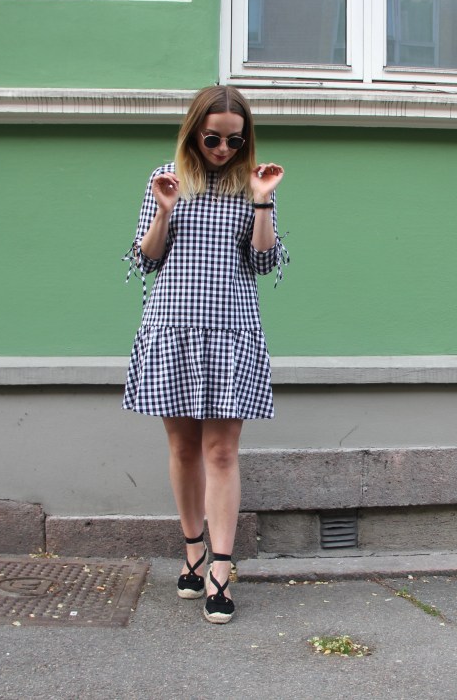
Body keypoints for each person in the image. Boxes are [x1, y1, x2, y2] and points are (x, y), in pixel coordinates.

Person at [122, 85, 288, 624]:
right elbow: (145, 260)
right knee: (183, 447)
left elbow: (265, 264)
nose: (222, 149)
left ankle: (221, 567)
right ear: (194, 131)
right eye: (212, 137)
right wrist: (164, 211)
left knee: (221, 451)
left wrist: (262, 200)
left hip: (232, 326)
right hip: (173, 324)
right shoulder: (166, 176)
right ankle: (191, 548)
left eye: (234, 141)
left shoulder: (254, 182)